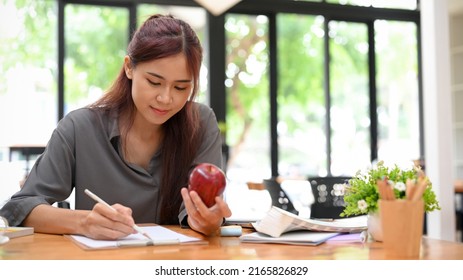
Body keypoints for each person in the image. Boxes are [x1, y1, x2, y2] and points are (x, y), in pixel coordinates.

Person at [0, 14, 231, 239]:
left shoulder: (200, 123)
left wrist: (208, 221)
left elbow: (203, 212)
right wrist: (84, 222)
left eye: (180, 88)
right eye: (154, 82)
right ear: (129, 67)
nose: (166, 98)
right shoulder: (79, 128)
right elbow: (20, 208)